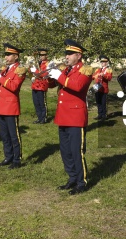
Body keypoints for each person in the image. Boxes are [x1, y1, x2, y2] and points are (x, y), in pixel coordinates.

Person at [47, 39, 93, 195]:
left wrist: (59, 75)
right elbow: (50, 85)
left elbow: (77, 86)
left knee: (76, 151)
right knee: (65, 151)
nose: (66, 56)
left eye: (70, 54)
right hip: (63, 115)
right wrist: (48, 74)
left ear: (78, 55)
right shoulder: (65, 70)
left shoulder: (85, 70)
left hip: (75, 116)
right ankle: (72, 178)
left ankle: (82, 182)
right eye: (66, 53)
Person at [0, 43, 27, 169]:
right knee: (4, 135)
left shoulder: (19, 70)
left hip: (11, 106)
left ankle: (17, 159)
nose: (6, 57)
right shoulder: (5, 69)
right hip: (1, 105)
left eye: (8, 55)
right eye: (5, 54)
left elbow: (14, 86)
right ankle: (8, 156)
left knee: (13, 135)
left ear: (16, 56)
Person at [30, 48, 50, 124]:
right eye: (40, 55)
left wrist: (35, 71)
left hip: (42, 85)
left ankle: (44, 118)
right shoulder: (38, 63)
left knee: (42, 103)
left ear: (46, 55)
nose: (41, 56)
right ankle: (39, 117)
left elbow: (44, 74)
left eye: (43, 55)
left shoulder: (48, 64)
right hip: (35, 85)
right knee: (36, 103)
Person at [92, 55, 113, 120]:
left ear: (106, 62)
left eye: (103, 62)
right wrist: (94, 76)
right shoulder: (98, 69)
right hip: (97, 88)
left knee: (103, 103)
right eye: (101, 62)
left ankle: (104, 115)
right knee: (98, 102)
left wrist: (103, 75)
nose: (102, 63)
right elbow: (93, 76)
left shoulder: (108, 70)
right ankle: (99, 114)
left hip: (104, 89)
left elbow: (109, 78)